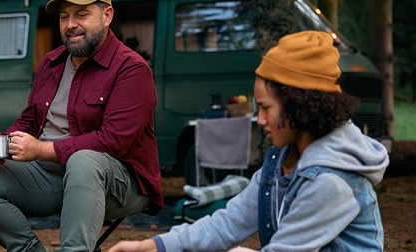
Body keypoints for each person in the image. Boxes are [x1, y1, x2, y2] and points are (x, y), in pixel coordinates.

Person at [108, 31, 388, 252]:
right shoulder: (281, 158)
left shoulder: (331, 180)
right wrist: (153, 246)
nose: (260, 119)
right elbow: (229, 223)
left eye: (266, 108)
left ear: (301, 107)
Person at [0, 0, 163, 251]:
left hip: (120, 184)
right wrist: (5, 141)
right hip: (53, 178)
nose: (70, 25)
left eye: (81, 15)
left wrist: (41, 151)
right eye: (64, 17)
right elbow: (31, 119)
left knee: (84, 160)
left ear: (107, 15)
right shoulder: (51, 62)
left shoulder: (131, 68)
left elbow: (113, 141)